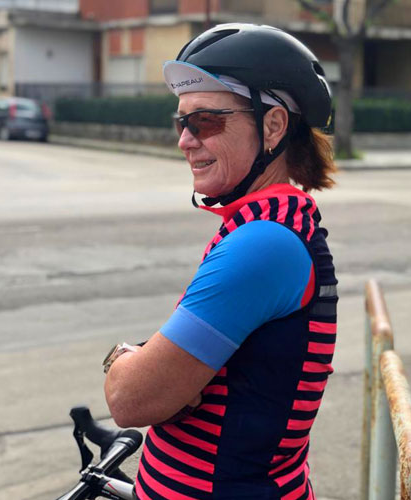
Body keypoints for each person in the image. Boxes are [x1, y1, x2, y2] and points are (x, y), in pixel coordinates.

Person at [104, 23, 338, 500]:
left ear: (273, 125)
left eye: (205, 121)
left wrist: (122, 360)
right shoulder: (268, 225)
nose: (185, 141)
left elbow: (132, 399)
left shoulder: (264, 245)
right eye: (181, 122)